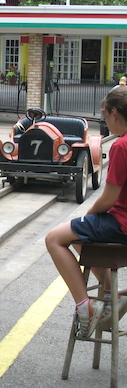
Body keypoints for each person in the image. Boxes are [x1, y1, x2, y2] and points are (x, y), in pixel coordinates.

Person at [45, 86, 127, 338]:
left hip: (121, 224)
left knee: (55, 238)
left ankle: (86, 307)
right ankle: (109, 297)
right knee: (81, 237)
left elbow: (109, 197)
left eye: (105, 116)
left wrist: (88, 215)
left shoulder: (121, 146)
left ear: (114, 113)